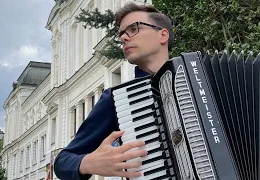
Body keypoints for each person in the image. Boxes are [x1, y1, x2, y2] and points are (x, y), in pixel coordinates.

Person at [54, 2, 174, 180]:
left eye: (133, 29)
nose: (124, 37)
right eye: (122, 34)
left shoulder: (197, 77)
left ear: (162, 35)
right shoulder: (118, 100)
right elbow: (62, 162)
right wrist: (88, 163)